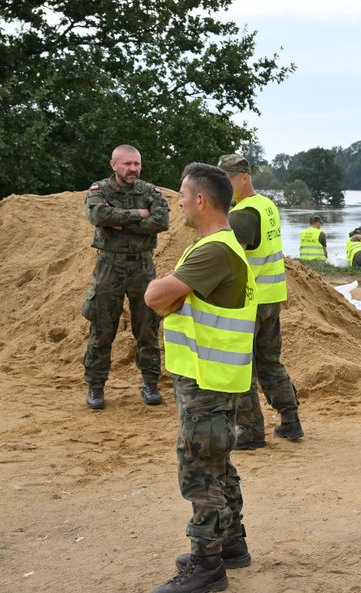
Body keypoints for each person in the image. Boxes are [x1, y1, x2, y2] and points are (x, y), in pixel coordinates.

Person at [144, 162, 256, 593]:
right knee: (218, 461)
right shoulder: (216, 246)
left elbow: (156, 296)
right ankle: (230, 543)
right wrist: (175, 294)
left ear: (201, 200)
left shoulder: (214, 250)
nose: (179, 204)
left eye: (183, 197)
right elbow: (170, 299)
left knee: (200, 468)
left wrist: (170, 293)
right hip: (212, 375)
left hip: (207, 379)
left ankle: (207, 565)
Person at [218, 154, 303, 448]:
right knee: (269, 362)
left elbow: (232, 258)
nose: (225, 188)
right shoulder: (267, 205)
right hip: (271, 298)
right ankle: (291, 421)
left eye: (227, 180)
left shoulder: (242, 214)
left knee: (240, 366)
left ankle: (251, 431)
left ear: (244, 177)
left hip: (248, 301)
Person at [82, 144, 170, 410]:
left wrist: (119, 222)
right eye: (127, 164)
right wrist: (138, 216)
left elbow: (162, 220)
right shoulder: (100, 190)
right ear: (114, 165)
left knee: (147, 328)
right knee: (102, 327)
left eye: (136, 164)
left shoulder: (149, 191)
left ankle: (151, 384)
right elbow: (98, 214)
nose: (132, 168)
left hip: (143, 267)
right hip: (109, 266)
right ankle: (96, 387)